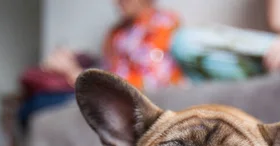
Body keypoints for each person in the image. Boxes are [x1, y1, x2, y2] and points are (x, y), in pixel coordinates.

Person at [19, 0, 185, 127]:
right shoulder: (116, 31)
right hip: (107, 88)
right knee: (33, 102)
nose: (118, 3)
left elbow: (152, 80)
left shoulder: (162, 23)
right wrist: (70, 62)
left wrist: (74, 73)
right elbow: (108, 67)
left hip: (125, 92)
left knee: (37, 104)